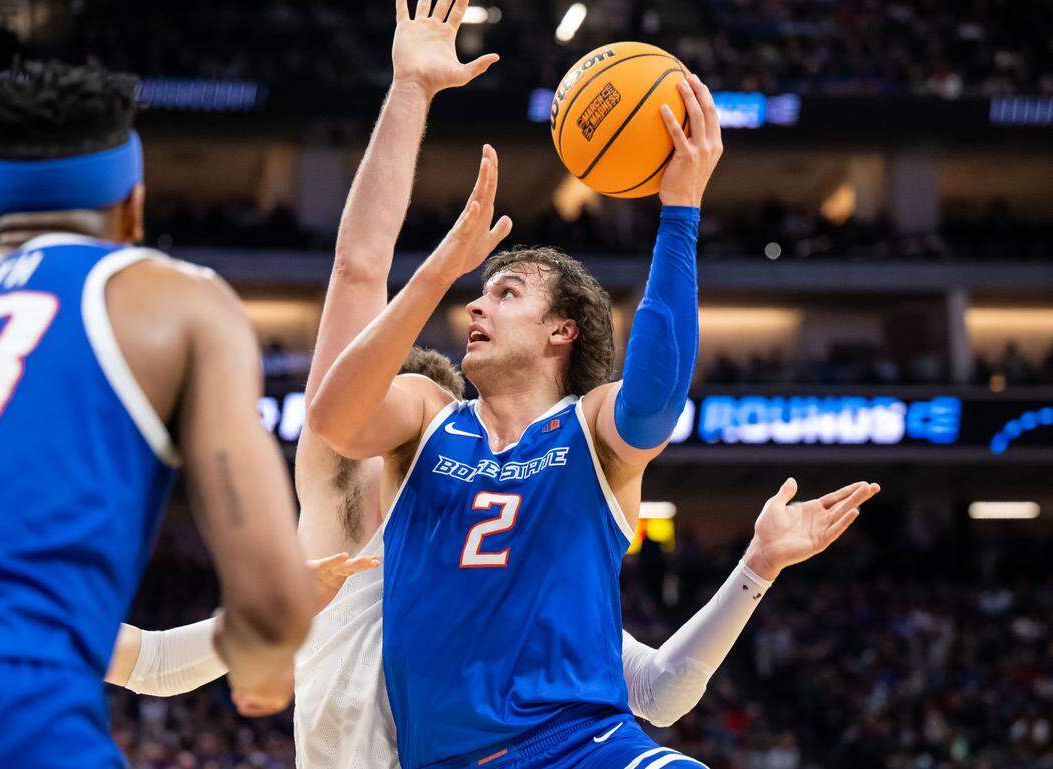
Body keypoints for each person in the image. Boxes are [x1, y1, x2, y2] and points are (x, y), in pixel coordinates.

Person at [308, 9, 877, 764]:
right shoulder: (427, 418)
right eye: (479, 291)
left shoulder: (591, 428)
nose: (476, 304)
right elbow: (335, 417)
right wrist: (435, 272)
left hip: (586, 745)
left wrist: (679, 212)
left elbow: (651, 404)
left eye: (506, 291)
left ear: (562, 331)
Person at [0, 60, 316, 768]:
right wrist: (260, 670)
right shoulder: (174, 301)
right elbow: (271, 611)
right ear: (133, 209)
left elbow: (154, 660)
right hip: (6, 721)